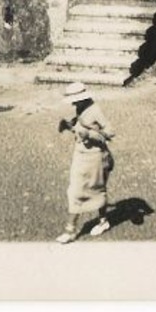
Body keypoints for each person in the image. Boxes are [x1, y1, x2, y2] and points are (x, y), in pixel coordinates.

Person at [55, 82, 115, 243]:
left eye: (75, 100)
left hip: (94, 158)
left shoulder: (95, 110)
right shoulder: (81, 108)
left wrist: (88, 134)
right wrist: (68, 125)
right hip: (81, 156)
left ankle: (70, 230)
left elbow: (110, 133)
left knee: (79, 191)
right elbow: (79, 127)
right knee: (93, 189)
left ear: (83, 98)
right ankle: (103, 221)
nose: (73, 103)